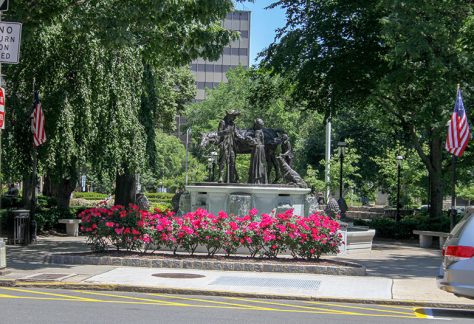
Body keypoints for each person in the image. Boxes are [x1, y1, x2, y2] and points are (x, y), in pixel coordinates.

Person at [217, 110, 240, 183]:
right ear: (229, 116)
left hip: (232, 145)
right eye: (234, 116)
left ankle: (231, 178)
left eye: (235, 116)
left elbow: (236, 134)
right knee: (223, 161)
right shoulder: (222, 122)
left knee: (232, 161)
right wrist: (225, 131)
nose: (235, 118)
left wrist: (244, 138)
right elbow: (219, 133)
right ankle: (220, 177)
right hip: (224, 144)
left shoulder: (233, 124)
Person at [249, 118, 268, 184]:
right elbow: (262, 142)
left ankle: (257, 180)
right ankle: (261, 179)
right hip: (261, 149)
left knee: (257, 164)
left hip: (257, 149)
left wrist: (250, 140)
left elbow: (256, 141)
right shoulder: (261, 131)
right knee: (261, 164)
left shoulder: (257, 131)